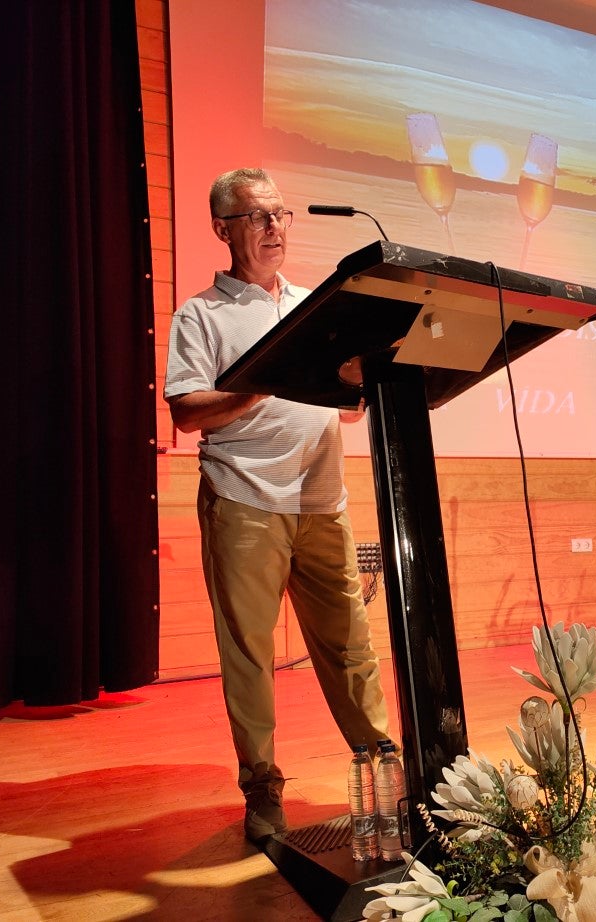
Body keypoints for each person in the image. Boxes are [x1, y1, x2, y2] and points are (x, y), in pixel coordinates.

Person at [164, 167, 391, 841]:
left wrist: (353, 384)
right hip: (243, 499)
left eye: (280, 215)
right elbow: (184, 411)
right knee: (249, 652)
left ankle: (382, 764)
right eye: (256, 217)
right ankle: (261, 786)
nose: (272, 228)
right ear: (223, 228)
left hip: (322, 497)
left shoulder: (313, 307)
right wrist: (263, 382)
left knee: (349, 640)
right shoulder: (200, 315)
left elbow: (345, 412)